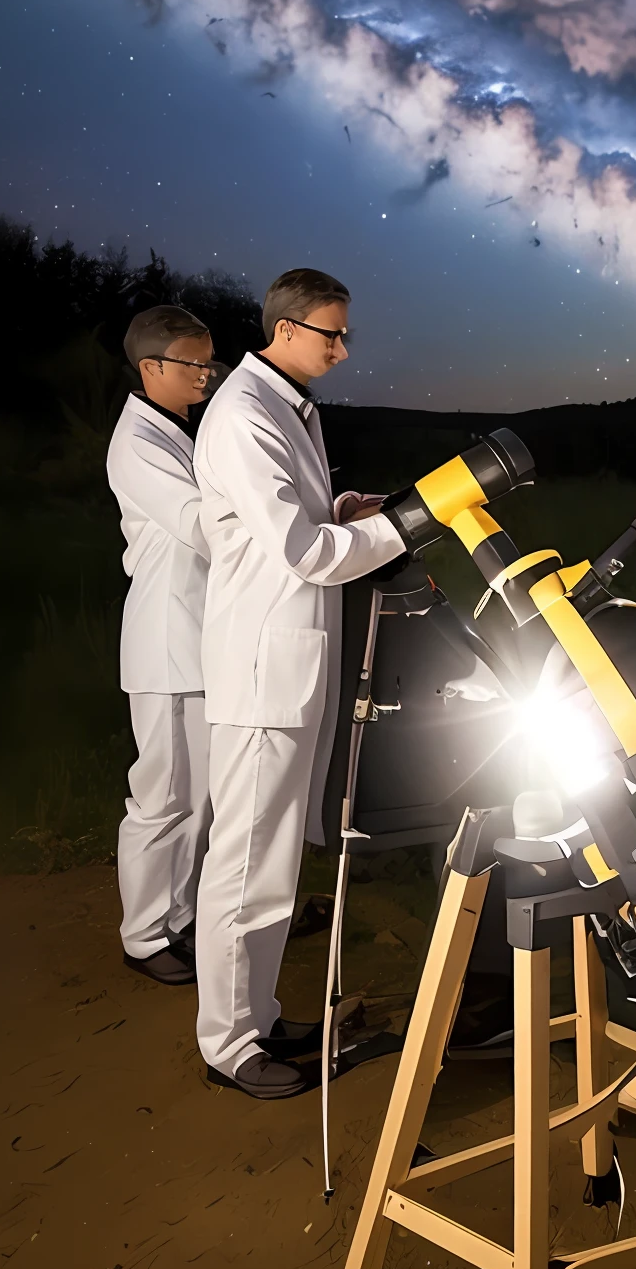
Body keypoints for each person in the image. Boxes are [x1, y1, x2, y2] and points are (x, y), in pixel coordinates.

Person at [192, 269, 407, 1100]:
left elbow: (302, 518)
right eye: (332, 333)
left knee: (273, 864)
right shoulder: (245, 415)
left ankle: (260, 1013)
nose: (343, 348)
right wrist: (400, 531)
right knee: (244, 862)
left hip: (291, 668)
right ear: (285, 329)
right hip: (259, 673)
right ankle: (227, 1045)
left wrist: (350, 505)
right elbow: (304, 551)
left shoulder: (285, 405)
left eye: (345, 333)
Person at [107, 305, 219, 987]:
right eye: (193, 364)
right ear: (151, 369)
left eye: (210, 361)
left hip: (198, 639)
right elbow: (204, 524)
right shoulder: (139, 443)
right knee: (162, 797)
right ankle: (144, 934)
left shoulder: (176, 431)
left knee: (198, 797)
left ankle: (180, 918)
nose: (206, 375)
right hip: (168, 642)